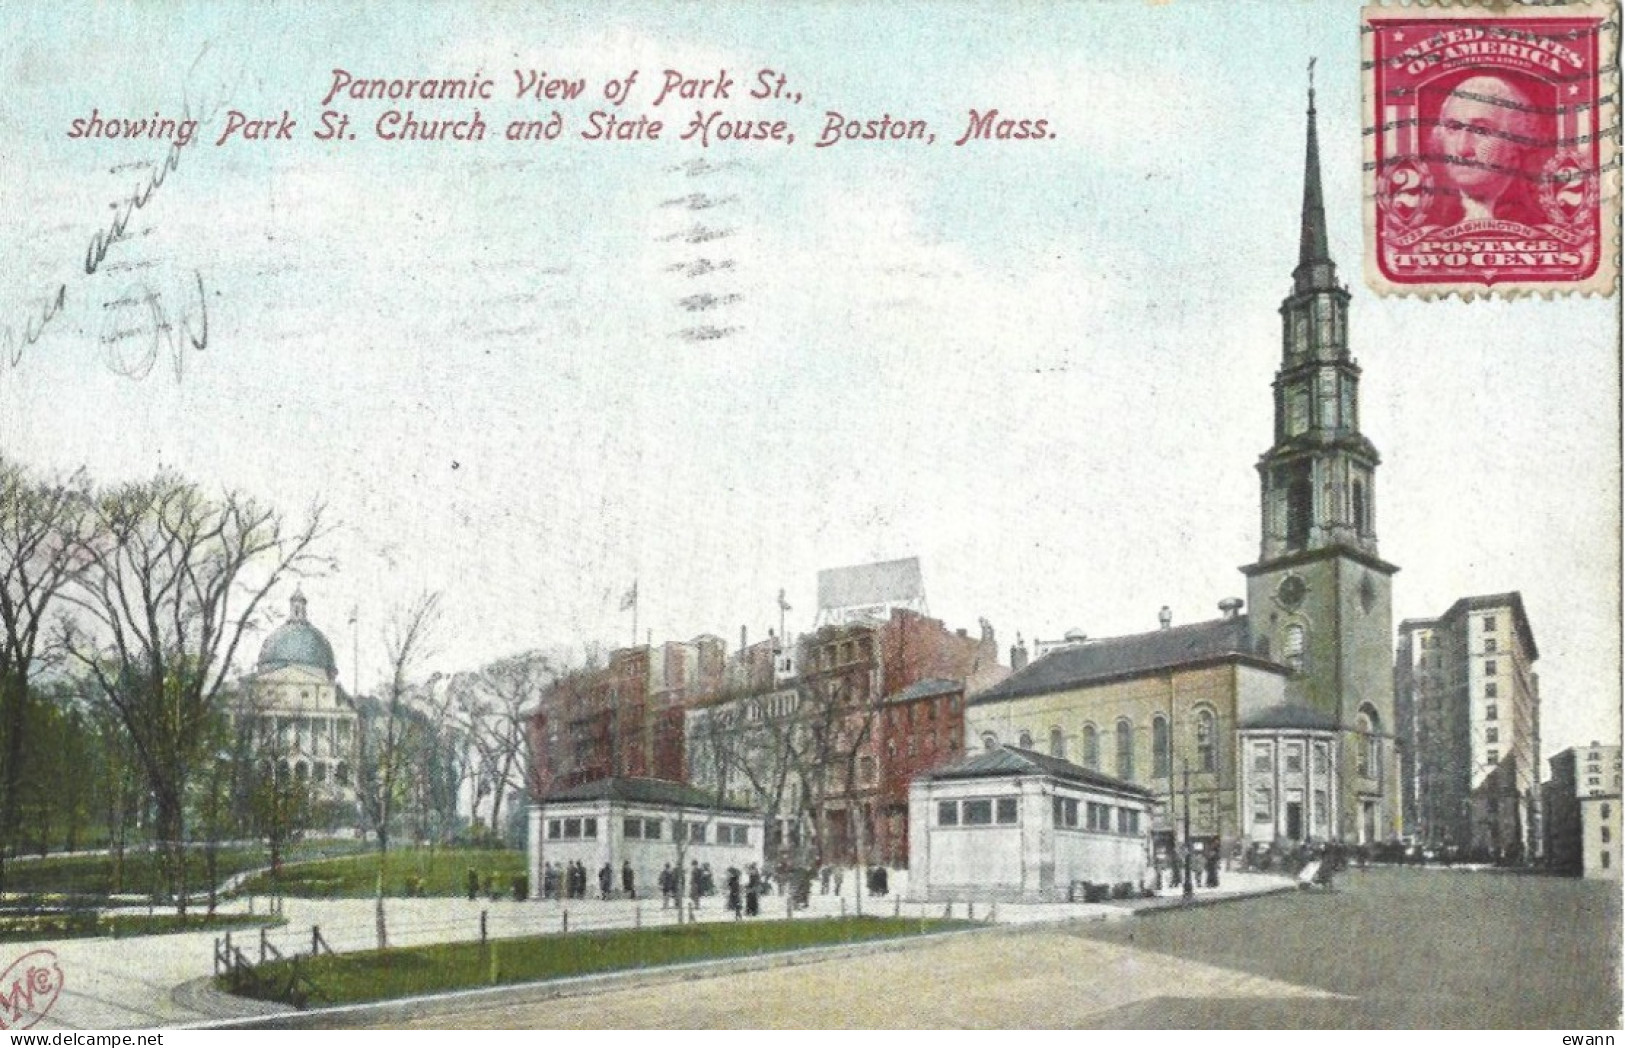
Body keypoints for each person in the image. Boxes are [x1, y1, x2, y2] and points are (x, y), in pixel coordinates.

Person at [1428, 74, 1549, 228]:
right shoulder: (1430, 218)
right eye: (1453, 128)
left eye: (1481, 130)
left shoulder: (1542, 218)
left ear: (1517, 138)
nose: (1462, 148)